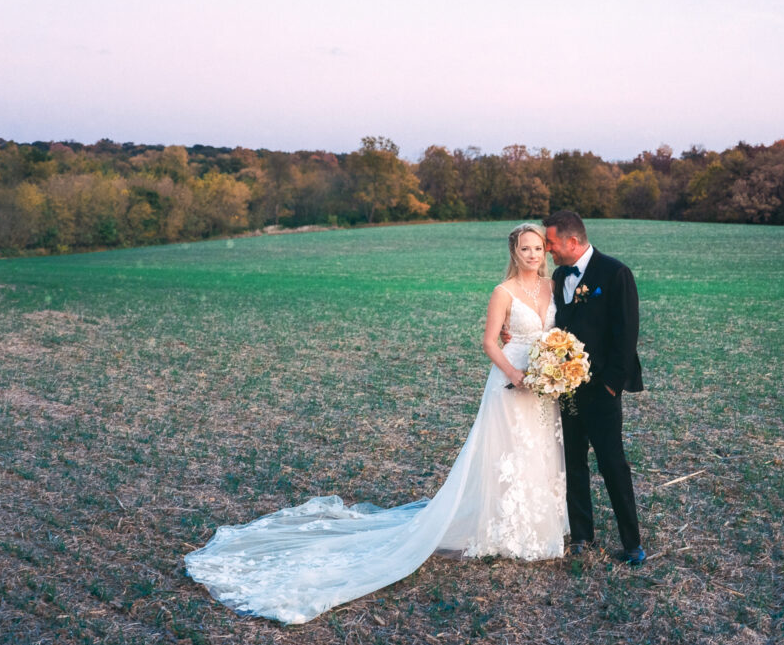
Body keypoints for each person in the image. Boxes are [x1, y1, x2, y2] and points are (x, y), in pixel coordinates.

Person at [184, 223, 568, 624]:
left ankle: (543, 526)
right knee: (506, 452)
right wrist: (516, 375)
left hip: (545, 385)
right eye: (525, 248)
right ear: (514, 251)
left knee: (538, 451)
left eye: (538, 248)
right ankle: (503, 530)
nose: (532, 255)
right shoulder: (502, 292)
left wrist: (554, 368)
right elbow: (491, 341)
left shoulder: (551, 287)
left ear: (545, 251)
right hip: (511, 383)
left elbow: (558, 331)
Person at [541, 209, 646, 566]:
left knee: (612, 464)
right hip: (566, 390)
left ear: (572, 241)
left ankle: (632, 542)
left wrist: (612, 387)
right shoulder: (558, 275)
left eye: (551, 243)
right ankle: (583, 536)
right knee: (573, 464)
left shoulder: (615, 273)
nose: (548, 250)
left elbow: (627, 333)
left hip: (602, 390)